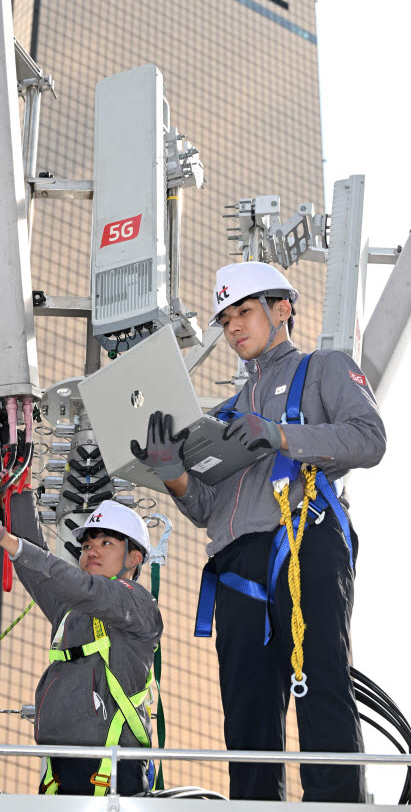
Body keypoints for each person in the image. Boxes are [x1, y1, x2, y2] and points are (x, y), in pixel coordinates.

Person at [131, 261, 386, 803]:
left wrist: (279, 433)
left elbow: (369, 439)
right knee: (245, 711)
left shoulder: (324, 368)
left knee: (320, 680)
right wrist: (171, 472)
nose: (234, 328)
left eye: (244, 312)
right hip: (235, 567)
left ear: (283, 308)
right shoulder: (224, 411)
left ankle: (337, 806)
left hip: (303, 540)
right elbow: (206, 508)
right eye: (225, 320)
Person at [0, 493, 163, 797]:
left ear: (135, 558)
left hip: (112, 770)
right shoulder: (71, 609)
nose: (91, 552)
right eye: (86, 546)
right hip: (59, 765)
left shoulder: (136, 601)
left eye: (106, 543)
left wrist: (5, 538)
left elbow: (84, 588)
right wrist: (18, 491)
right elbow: (37, 569)